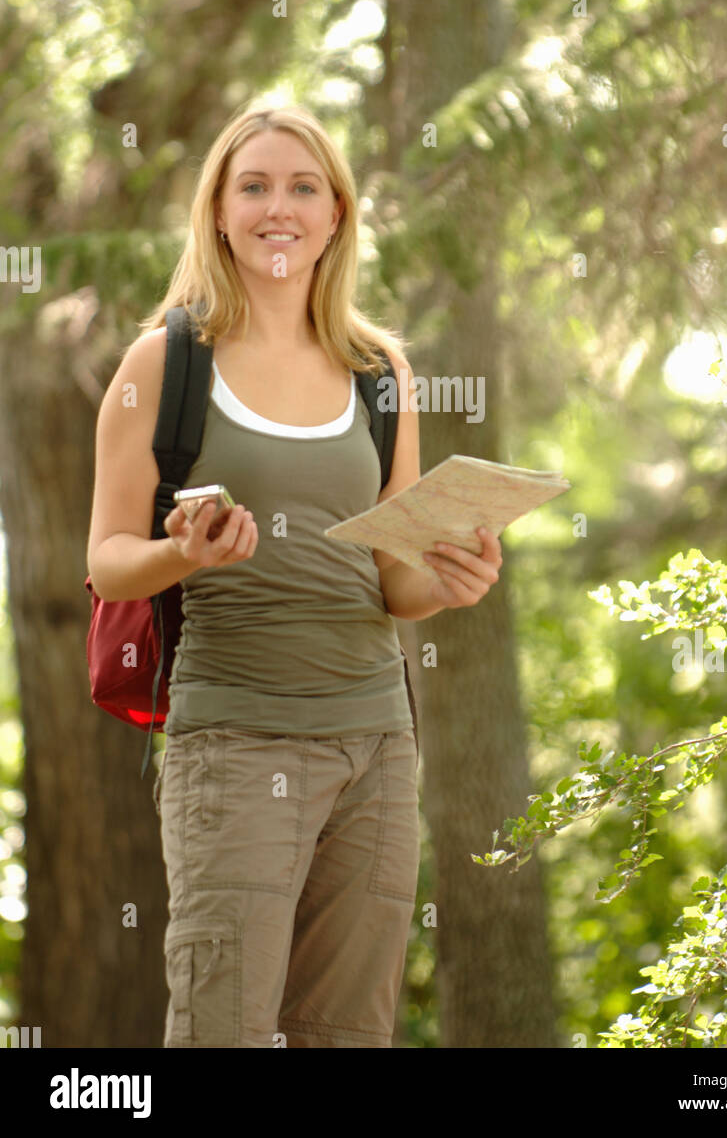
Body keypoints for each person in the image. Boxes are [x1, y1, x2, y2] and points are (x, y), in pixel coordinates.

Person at [85, 103, 503, 1048]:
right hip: (231, 745)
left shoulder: (379, 371)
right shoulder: (164, 362)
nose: (281, 207)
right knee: (223, 1029)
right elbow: (108, 562)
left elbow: (391, 578)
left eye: (303, 186)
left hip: (376, 750)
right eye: (255, 186)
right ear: (221, 214)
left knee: (346, 1035)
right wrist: (182, 553)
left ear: (337, 215)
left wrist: (447, 581)